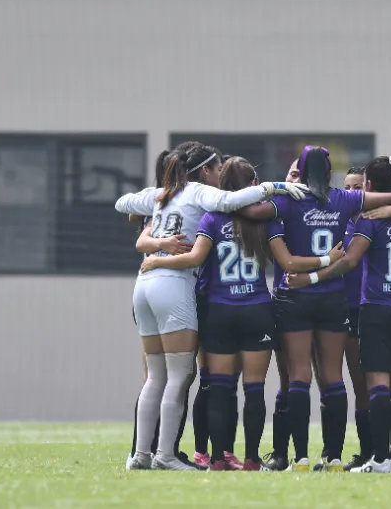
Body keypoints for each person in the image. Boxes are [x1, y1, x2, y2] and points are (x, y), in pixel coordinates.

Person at [119, 143, 308, 470]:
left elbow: (124, 204)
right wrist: (275, 187)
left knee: (162, 378)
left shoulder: (168, 198)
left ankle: (149, 455)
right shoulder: (208, 199)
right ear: (205, 170)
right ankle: (172, 455)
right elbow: (230, 205)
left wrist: (158, 244)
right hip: (196, 290)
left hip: (156, 287)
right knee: (194, 378)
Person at [239, 146, 391, 472]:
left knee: (299, 377)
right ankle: (333, 457)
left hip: (296, 297)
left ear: (302, 171)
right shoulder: (343, 199)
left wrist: (276, 187)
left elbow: (249, 212)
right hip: (333, 297)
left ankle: (302, 458)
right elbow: (382, 198)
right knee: (334, 378)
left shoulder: (288, 201)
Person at [286, 156, 391, 473]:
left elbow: (350, 261)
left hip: (378, 308)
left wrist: (310, 277)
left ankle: (379, 457)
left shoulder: (370, 221)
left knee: (376, 383)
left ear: (368, 186)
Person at [126, 147, 197, 470]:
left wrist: (156, 247)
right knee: (176, 375)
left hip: (145, 287)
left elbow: (137, 230)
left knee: (156, 376)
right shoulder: (181, 199)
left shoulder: (159, 201)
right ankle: (163, 454)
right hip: (170, 286)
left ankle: (142, 453)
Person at [264, 158, 302, 471]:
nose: (296, 179)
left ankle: (334, 454)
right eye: (292, 173)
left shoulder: (329, 207)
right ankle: (281, 453)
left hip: (330, 303)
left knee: (334, 380)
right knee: (288, 380)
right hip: (288, 301)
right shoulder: (277, 209)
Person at [336, 167, 373, 471]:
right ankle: (367, 451)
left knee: (384, 383)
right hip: (346, 308)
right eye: (346, 187)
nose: (350, 193)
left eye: (356, 187)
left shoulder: (375, 220)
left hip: (373, 307)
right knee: (359, 382)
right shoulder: (338, 223)